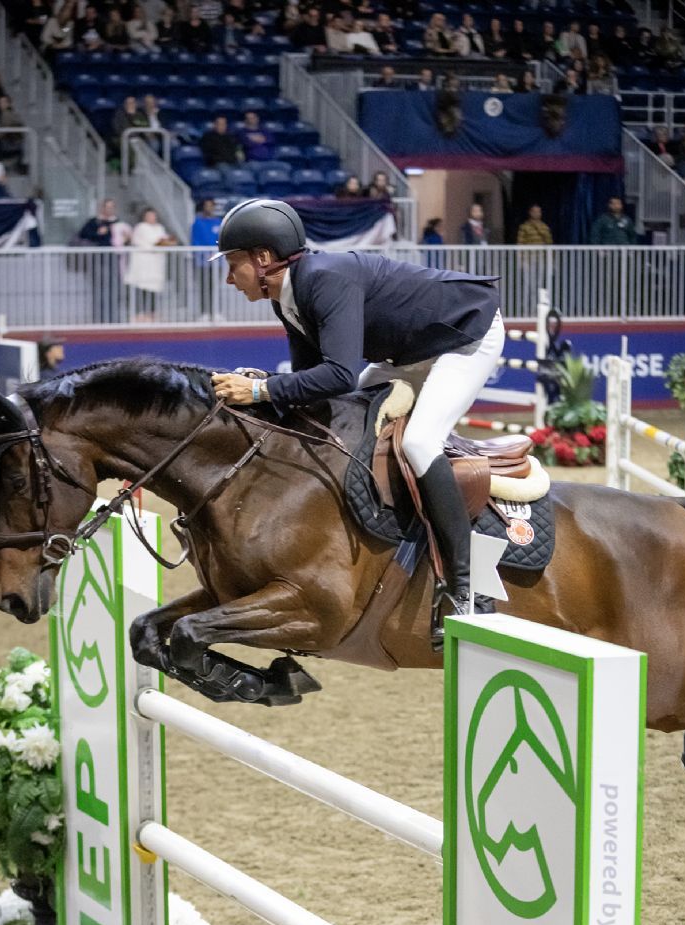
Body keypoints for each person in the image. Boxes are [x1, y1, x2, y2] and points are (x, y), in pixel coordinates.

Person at [208, 198, 505, 643]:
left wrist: (260, 390)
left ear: (263, 258)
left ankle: (464, 592)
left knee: (420, 442)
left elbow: (341, 374)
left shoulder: (323, 280)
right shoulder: (285, 297)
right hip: (405, 352)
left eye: (233, 264)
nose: (230, 278)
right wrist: (264, 383)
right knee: (350, 419)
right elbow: (319, 384)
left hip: (463, 336)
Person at [124, 205, 172, 319]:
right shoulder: (140, 227)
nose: (152, 217)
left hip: (156, 264)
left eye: (153, 215)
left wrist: (165, 242)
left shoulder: (160, 227)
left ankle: (152, 312)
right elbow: (143, 242)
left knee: (153, 288)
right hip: (143, 263)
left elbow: (163, 241)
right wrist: (156, 244)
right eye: (149, 215)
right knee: (141, 287)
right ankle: (139, 313)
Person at [191, 196, 221, 317]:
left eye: (211, 205)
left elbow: (222, 238)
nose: (209, 208)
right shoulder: (197, 223)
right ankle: (204, 312)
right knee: (204, 287)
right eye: (207, 205)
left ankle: (216, 312)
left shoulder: (219, 222)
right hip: (202, 261)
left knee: (215, 287)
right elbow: (194, 240)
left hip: (217, 262)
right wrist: (204, 252)